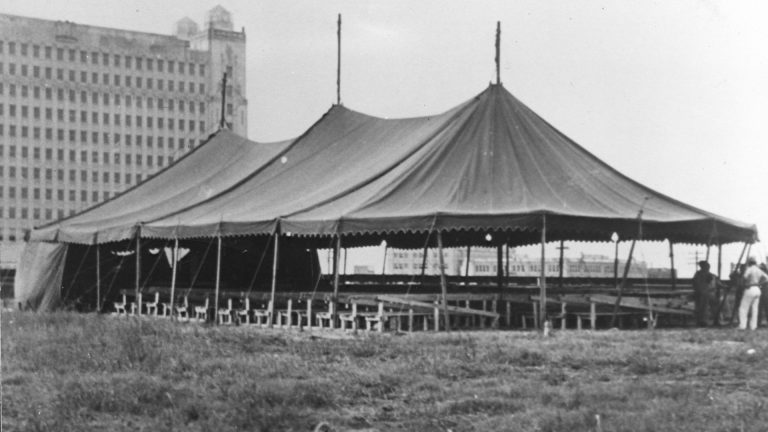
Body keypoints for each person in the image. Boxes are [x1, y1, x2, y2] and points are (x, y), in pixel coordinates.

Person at [738, 256, 768, 330]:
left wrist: (744, 285)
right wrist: (758, 284)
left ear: (749, 263)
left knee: (743, 308)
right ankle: (753, 326)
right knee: (755, 309)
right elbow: (766, 278)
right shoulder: (758, 270)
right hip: (757, 289)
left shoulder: (749, 269)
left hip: (750, 288)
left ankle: (742, 326)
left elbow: (744, 278)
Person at [692, 261, 717, 326]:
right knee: (703, 304)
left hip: (709, 293)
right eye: (706, 266)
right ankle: (702, 320)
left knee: (718, 301)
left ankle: (718, 318)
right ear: (702, 267)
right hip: (701, 293)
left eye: (708, 266)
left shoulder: (711, 275)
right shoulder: (698, 274)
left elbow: (716, 283)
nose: (707, 267)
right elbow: (696, 284)